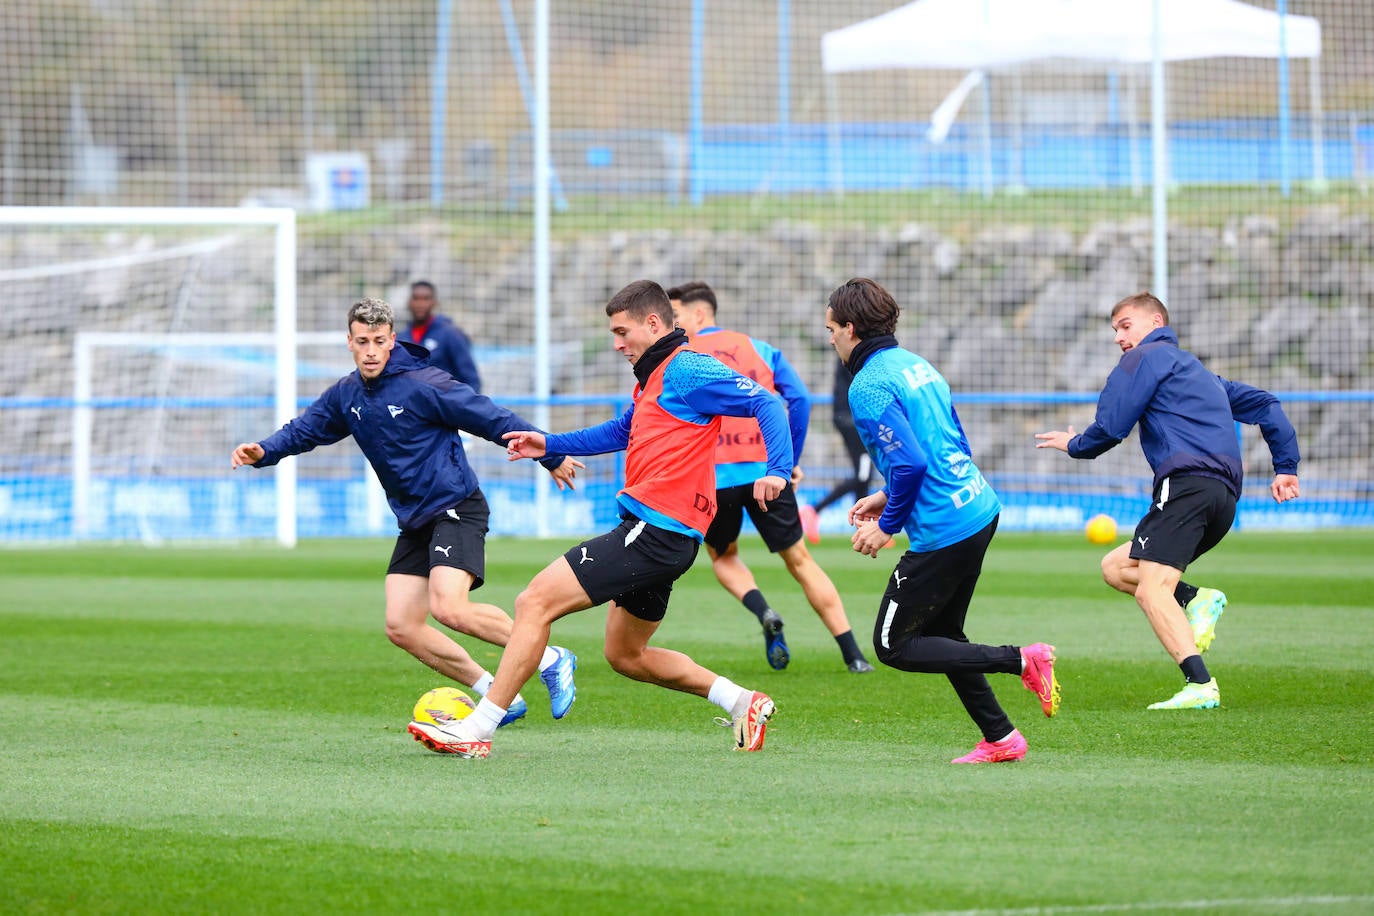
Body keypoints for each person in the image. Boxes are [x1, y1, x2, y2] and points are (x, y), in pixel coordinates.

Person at [416, 280, 792, 759]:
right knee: (626, 656)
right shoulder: (654, 378)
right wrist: (549, 444)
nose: (616, 343)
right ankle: (742, 701)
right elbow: (623, 429)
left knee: (534, 602)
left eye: (621, 331)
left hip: (654, 530)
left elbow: (768, 403)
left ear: (653, 324)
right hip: (665, 536)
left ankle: (478, 728)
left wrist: (777, 471)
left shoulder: (688, 368)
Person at [230, 296, 583, 741]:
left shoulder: (425, 383)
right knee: (401, 625)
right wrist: (264, 451)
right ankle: (497, 691)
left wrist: (548, 452)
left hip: (456, 506)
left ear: (393, 340)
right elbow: (306, 429)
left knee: (448, 606)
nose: (372, 350)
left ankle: (550, 658)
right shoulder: (346, 394)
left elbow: (488, 416)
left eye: (380, 341)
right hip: (416, 520)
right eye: (363, 342)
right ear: (350, 343)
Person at [826, 278, 1060, 764]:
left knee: (893, 645)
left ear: (850, 329)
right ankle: (1001, 738)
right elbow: (950, 443)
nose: (830, 339)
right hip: (977, 507)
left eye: (831, 329)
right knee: (944, 637)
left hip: (944, 528)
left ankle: (1021, 659)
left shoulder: (867, 385)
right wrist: (889, 494)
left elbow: (911, 462)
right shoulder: (917, 366)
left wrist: (888, 523)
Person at [1035, 291, 1301, 710]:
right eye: (1115, 330)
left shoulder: (1144, 359)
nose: (1120, 338)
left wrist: (1075, 444)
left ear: (1156, 323)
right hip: (1223, 499)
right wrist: (1286, 466)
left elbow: (1112, 425)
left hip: (1186, 485)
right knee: (1117, 567)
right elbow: (1267, 404)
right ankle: (1197, 599)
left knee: (1151, 591)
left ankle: (1200, 685)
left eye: (1125, 326)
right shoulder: (1202, 376)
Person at [668, 282, 874, 674]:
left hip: (712, 480)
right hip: (766, 473)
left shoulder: (680, 358)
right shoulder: (759, 350)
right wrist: (787, 460)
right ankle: (853, 654)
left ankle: (764, 610)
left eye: (676, 316)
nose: (673, 325)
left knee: (724, 557)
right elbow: (798, 398)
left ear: (699, 314)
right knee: (799, 561)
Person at [798, 359, 880, 546]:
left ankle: (864, 525)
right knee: (863, 474)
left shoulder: (852, 352)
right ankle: (813, 510)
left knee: (863, 474)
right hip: (852, 420)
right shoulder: (855, 354)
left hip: (847, 417)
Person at [406, 280, 482, 392]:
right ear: (409, 302)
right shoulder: (402, 337)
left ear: (434, 302)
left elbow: (471, 379)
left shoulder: (451, 334)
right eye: (416, 298)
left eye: (426, 299)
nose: (420, 304)